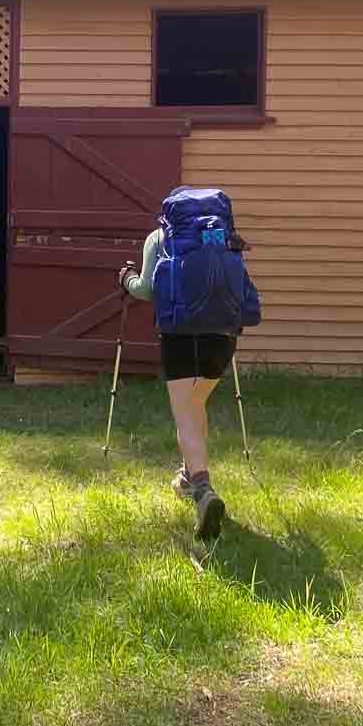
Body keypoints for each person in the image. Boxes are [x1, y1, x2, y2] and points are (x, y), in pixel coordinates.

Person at [121, 226, 233, 540]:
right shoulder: (219, 237)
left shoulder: (159, 238)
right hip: (223, 336)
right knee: (196, 405)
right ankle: (187, 477)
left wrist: (126, 278)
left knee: (185, 413)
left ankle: (203, 491)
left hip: (180, 337)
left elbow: (145, 290)